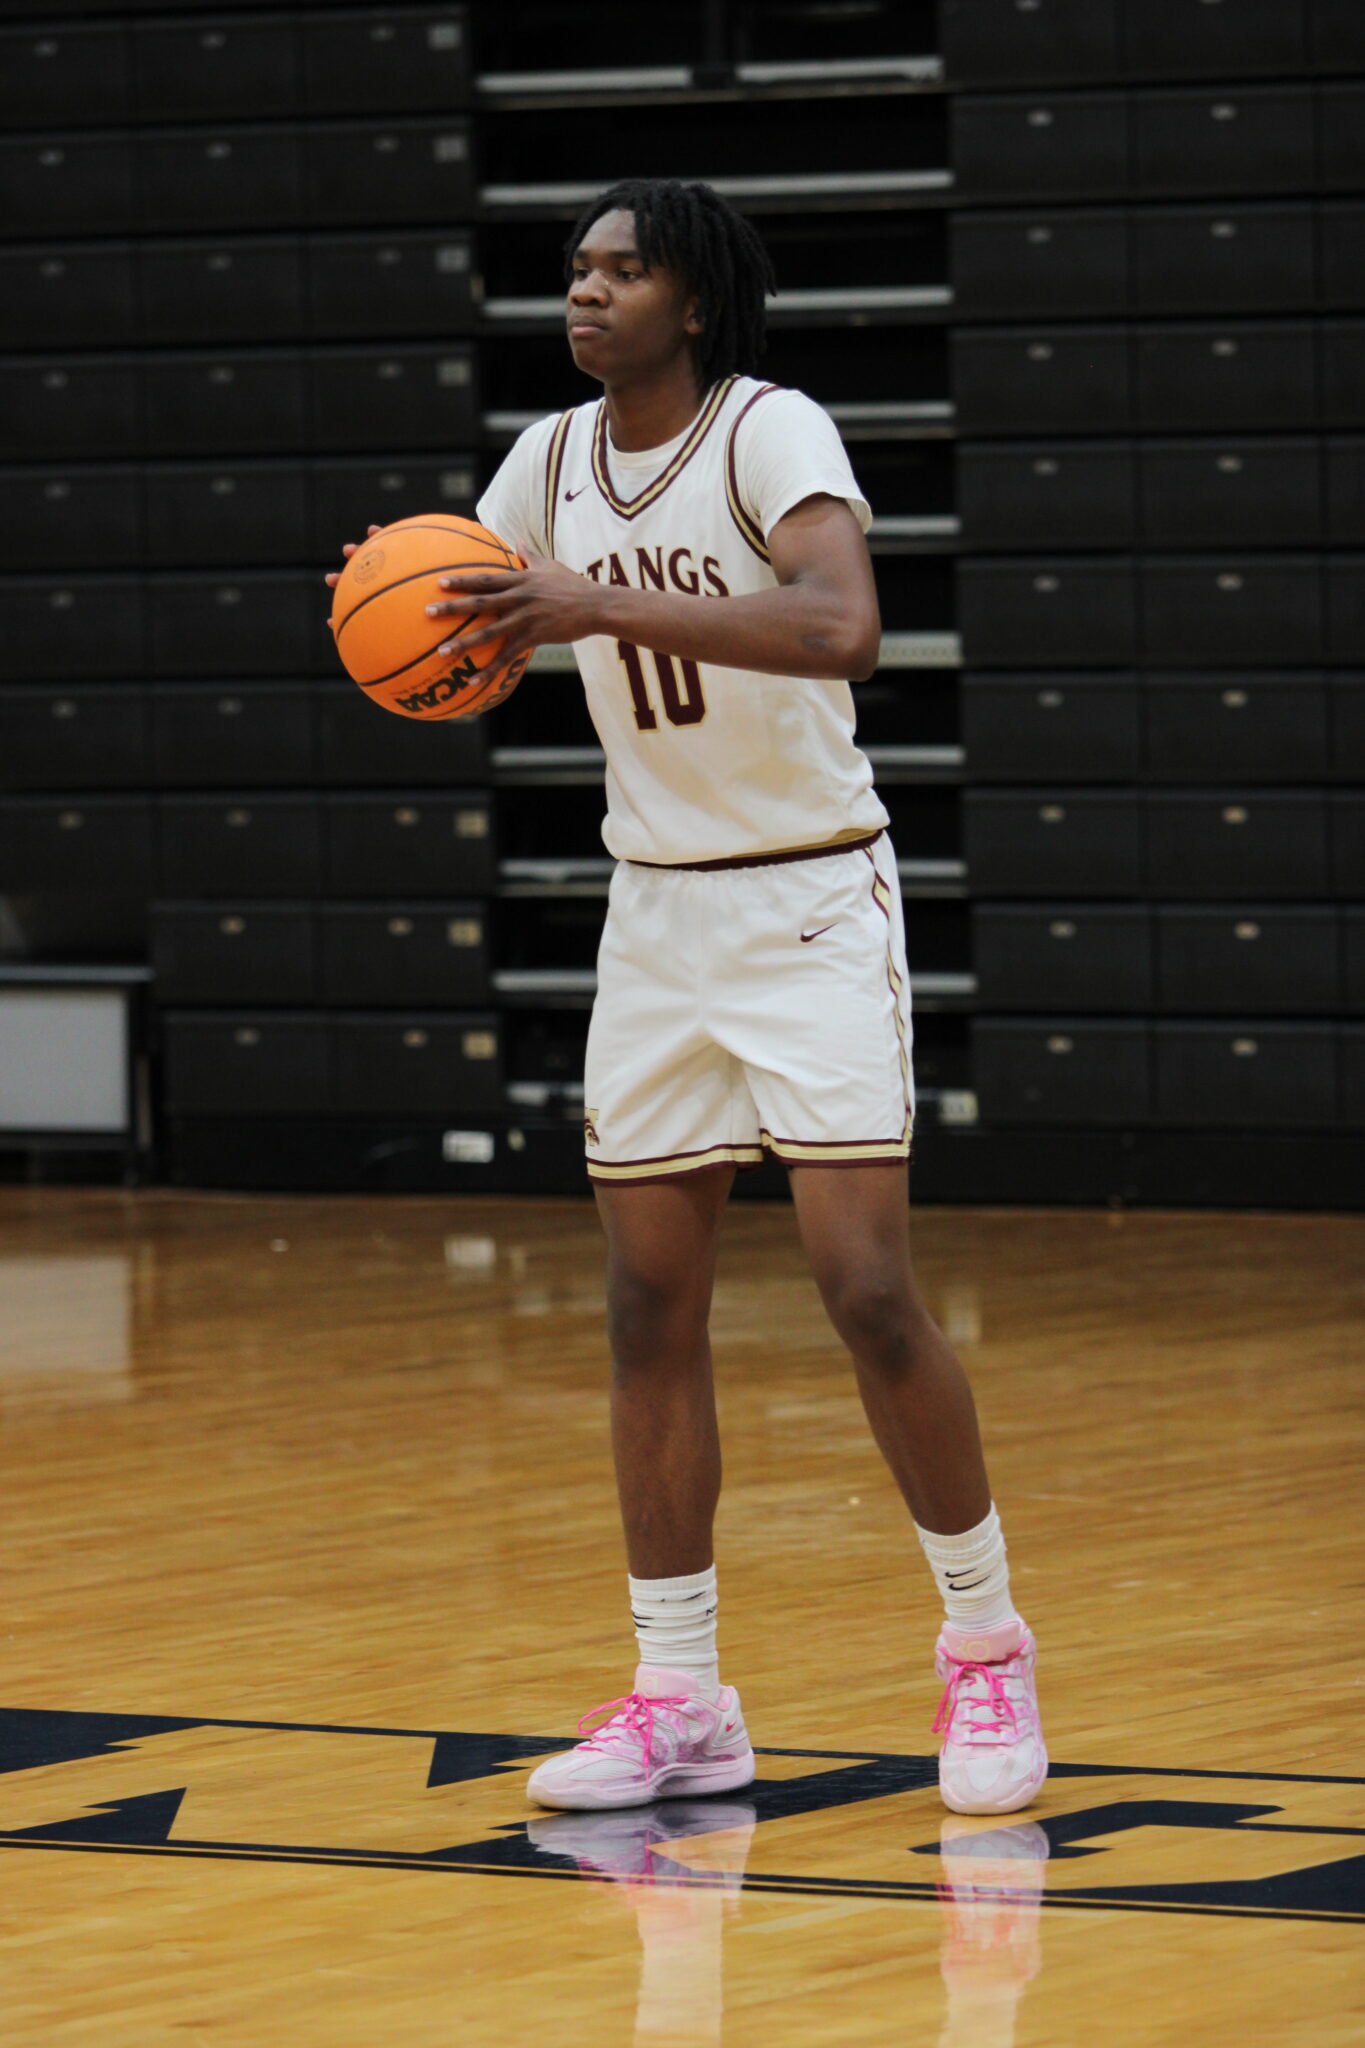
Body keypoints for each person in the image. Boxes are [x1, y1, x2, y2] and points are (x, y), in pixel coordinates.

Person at [328, 177, 1046, 1818]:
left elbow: (843, 625)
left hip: (808, 901)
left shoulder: (765, 431)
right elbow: (475, 617)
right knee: (647, 1307)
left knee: (865, 1289)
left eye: (621, 270)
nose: (584, 293)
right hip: (655, 916)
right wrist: (422, 637)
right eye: (574, 269)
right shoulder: (546, 463)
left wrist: (591, 603)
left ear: (695, 302)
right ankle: (680, 1697)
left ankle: (985, 1647)